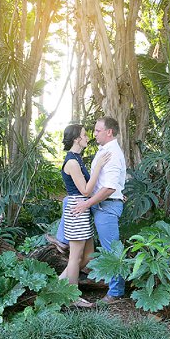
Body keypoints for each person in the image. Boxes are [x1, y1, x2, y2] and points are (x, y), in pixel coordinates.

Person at [71, 116, 127, 304]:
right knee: (103, 249)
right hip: (103, 204)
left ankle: (116, 293)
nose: (94, 134)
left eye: (97, 131)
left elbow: (109, 187)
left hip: (106, 205)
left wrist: (86, 204)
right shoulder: (106, 150)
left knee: (112, 251)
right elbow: (111, 183)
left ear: (109, 132)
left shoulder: (112, 153)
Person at [59, 124, 110, 308]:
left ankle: (60, 284)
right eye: (84, 135)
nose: (88, 137)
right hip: (77, 208)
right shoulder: (72, 162)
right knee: (76, 256)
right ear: (76, 139)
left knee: (88, 254)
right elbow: (86, 190)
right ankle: (73, 298)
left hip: (82, 208)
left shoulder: (77, 158)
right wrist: (98, 166)